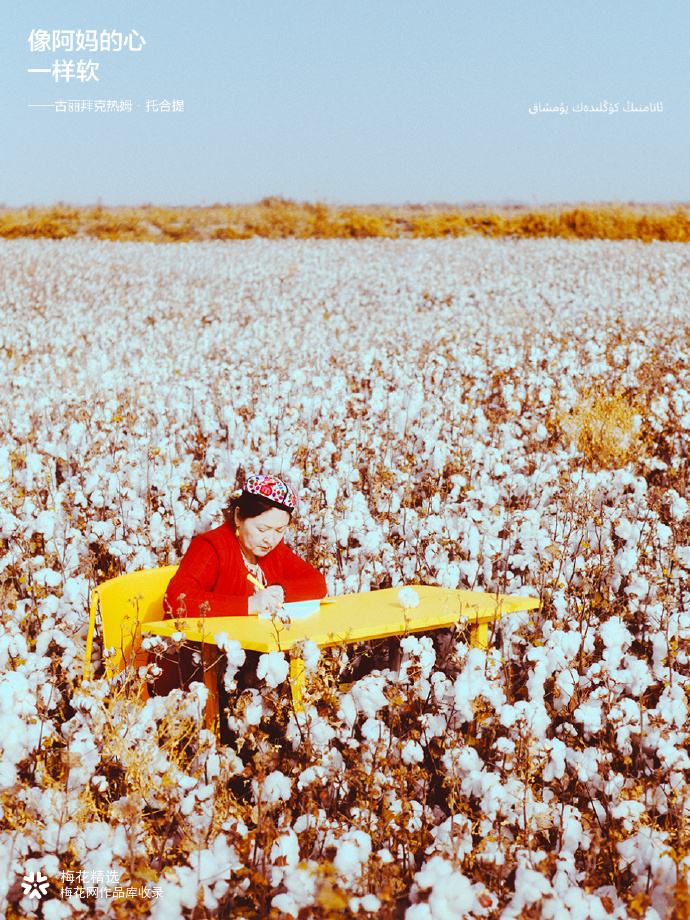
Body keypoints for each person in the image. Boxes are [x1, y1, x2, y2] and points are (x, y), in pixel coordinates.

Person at [151, 474, 327, 697]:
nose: (270, 540)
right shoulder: (211, 548)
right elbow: (178, 600)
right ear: (238, 516)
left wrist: (281, 592)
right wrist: (249, 605)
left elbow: (317, 583)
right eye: (262, 529)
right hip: (196, 677)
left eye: (280, 530)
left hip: (248, 673)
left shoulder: (273, 551)